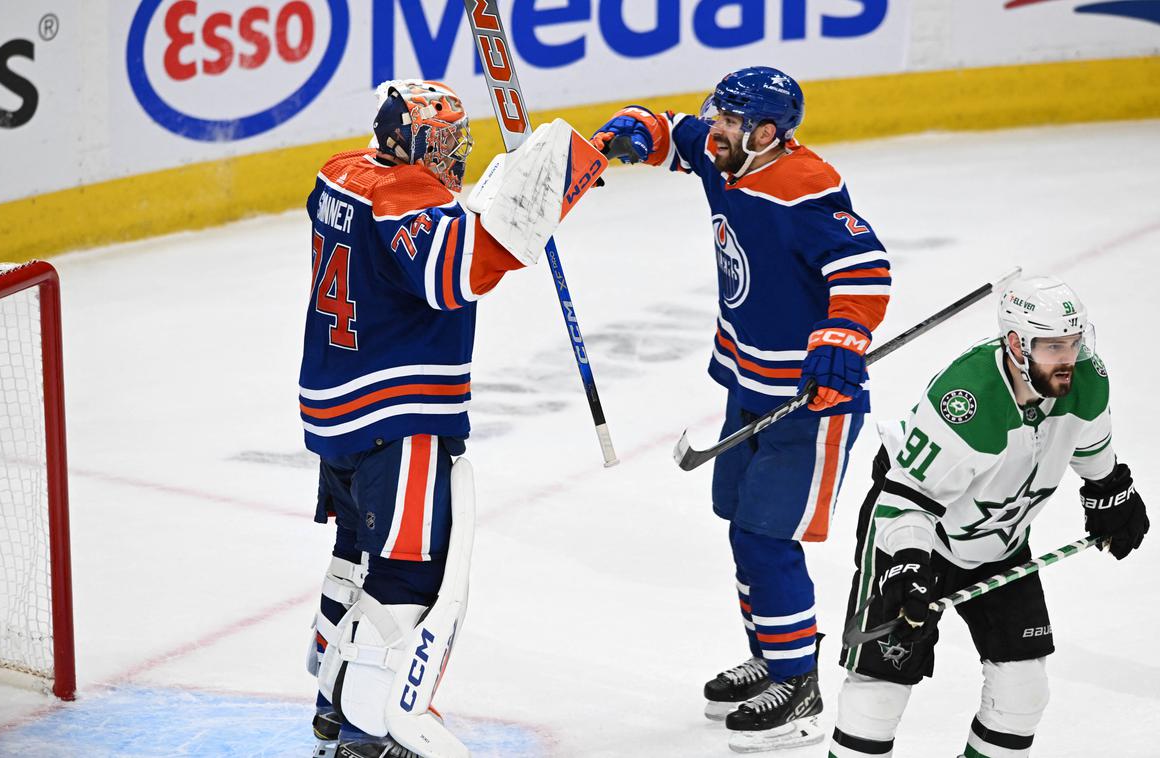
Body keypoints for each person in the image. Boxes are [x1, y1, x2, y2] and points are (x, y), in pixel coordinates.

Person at [591, 67, 892, 750]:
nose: (713, 128)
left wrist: (842, 338)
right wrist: (632, 130)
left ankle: (799, 685)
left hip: (810, 399)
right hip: (749, 382)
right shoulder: (728, 155)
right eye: (716, 114)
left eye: (728, 119)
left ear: (764, 132)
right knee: (739, 522)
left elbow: (864, 266)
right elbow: (674, 132)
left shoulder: (802, 184)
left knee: (766, 538)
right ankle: (773, 655)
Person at [298, 79, 600, 758]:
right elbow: (456, 271)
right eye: (438, 140)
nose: (452, 153)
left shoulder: (341, 173)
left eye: (457, 139)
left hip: (337, 406)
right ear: (401, 139)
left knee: (355, 555)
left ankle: (330, 704)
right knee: (407, 575)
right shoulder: (408, 195)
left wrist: (519, 192)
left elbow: (438, 227)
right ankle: (364, 733)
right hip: (395, 418)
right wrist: (548, 193)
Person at [830, 276, 1149, 758]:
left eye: (1075, 343)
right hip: (916, 534)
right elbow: (905, 496)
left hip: (1000, 539)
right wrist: (908, 563)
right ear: (1016, 344)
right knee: (879, 691)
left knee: (1023, 692)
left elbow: (1089, 443)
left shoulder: (1085, 378)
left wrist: (1108, 488)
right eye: (1053, 347)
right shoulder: (967, 402)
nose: (1068, 359)